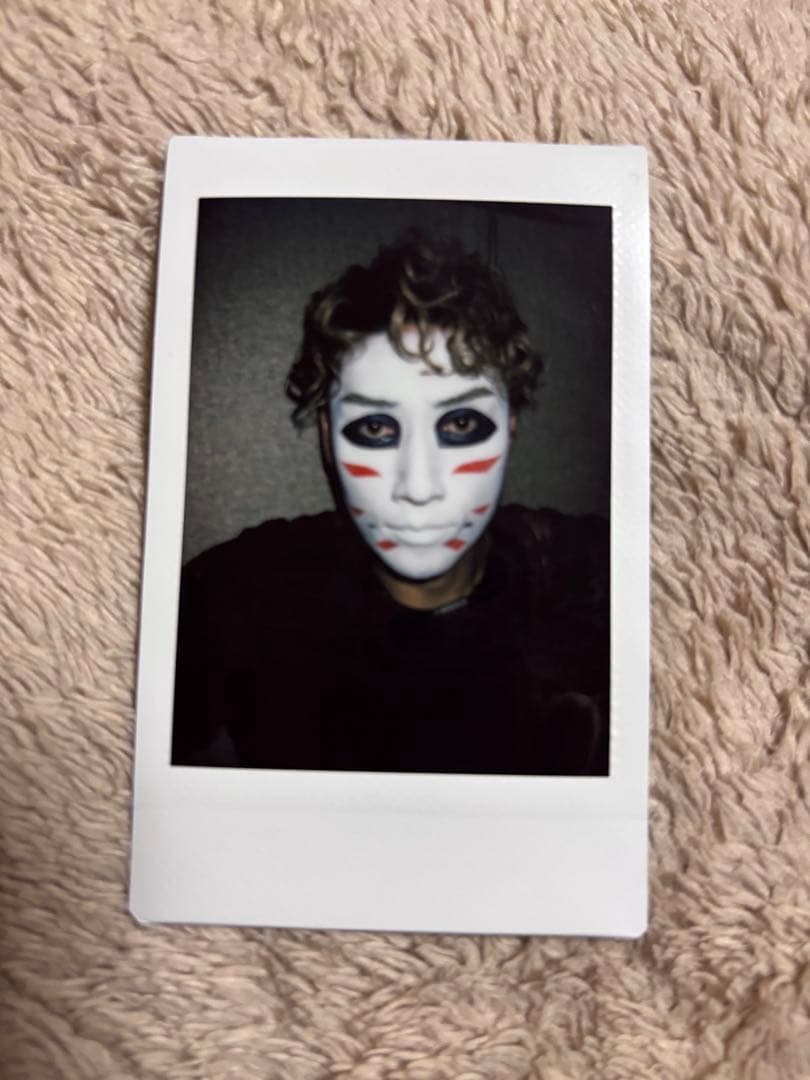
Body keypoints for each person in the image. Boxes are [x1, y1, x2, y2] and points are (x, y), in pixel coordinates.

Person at [172, 233, 609, 775]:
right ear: (327, 435)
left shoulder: (591, 578)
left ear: (511, 423)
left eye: (461, 423)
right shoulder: (240, 595)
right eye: (376, 427)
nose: (418, 488)